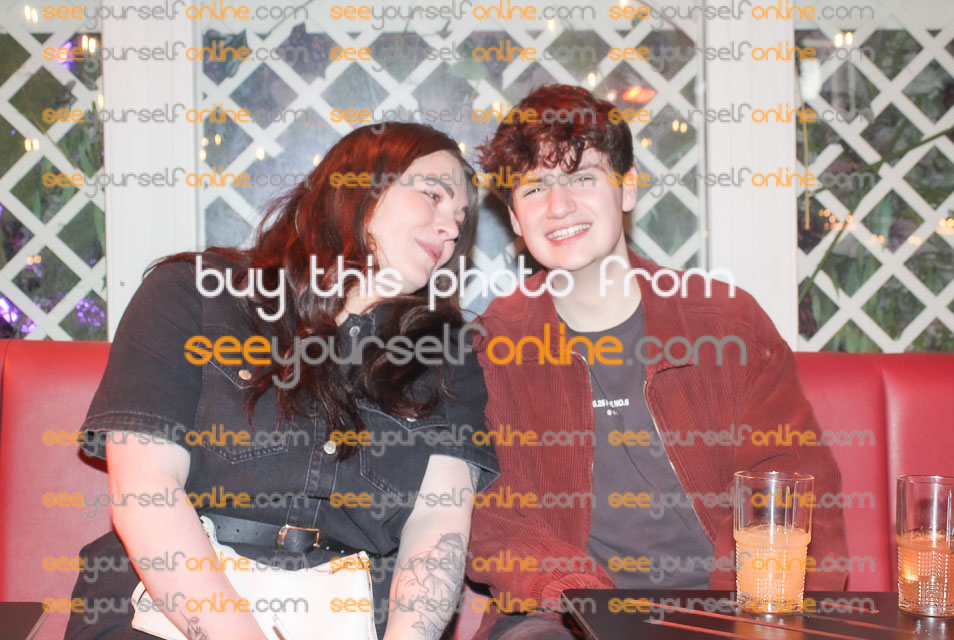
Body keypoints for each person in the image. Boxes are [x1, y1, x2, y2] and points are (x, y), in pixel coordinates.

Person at [65, 122, 500, 640]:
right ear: (358, 185)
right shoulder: (194, 295)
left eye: (459, 220)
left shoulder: (447, 356)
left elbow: (437, 531)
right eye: (432, 195)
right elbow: (147, 491)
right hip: (175, 604)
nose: (450, 229)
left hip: (349, 611)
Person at [465, 84, 849, 639]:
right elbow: (491, 517)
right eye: (535, 187)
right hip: (561, 610)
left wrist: (742, 612)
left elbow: (791, 487)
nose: (559, 205)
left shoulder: (725, 324)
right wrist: (582, 599)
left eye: (582, 178)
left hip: (722, 608)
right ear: (515, 219)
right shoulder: (493, 345)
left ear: (626, 189)